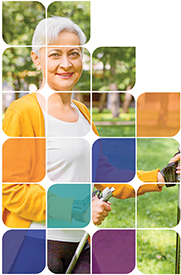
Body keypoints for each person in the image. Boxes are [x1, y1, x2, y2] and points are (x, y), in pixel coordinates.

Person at [2, 16, 181, 273]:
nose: (66, 64)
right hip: (35, 244)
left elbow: (104, 175)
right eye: (55, 54)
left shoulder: (83, 112)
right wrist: (81, 207)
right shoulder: (23, 112)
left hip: (79, 243)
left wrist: (162, 177)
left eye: (74, 53)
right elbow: (12, 190)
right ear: (36, 59)